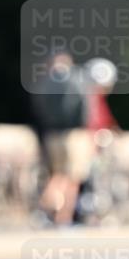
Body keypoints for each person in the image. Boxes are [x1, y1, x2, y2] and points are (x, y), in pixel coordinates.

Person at [29, 51, 92, 226]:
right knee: (73, 178)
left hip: (51, 134)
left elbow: (38, 109)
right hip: (73, 133)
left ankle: (48, 209)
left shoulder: (43, 83)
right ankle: (62, 217)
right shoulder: (75, 80)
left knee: (58, 174)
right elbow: (83, 106)